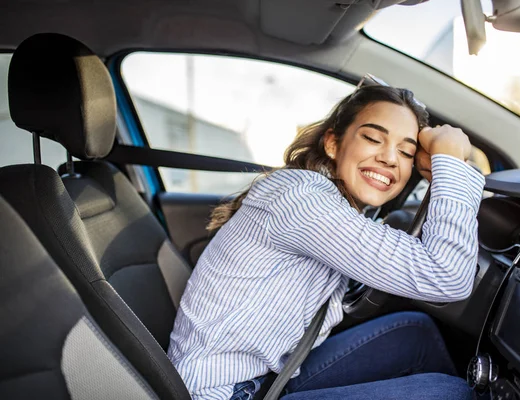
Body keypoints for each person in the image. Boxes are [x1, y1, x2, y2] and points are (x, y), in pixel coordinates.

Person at [168, 78, 485, 400]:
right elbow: (447, 278)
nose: (390, 158)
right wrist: (451, 165)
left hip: (272, 376)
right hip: (224, 393)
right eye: (374, 138)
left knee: (414, 332)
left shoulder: (336, 201)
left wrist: (444, 171)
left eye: (405, 151)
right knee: (449, 393)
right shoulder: (303, 199)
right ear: (333, 143)